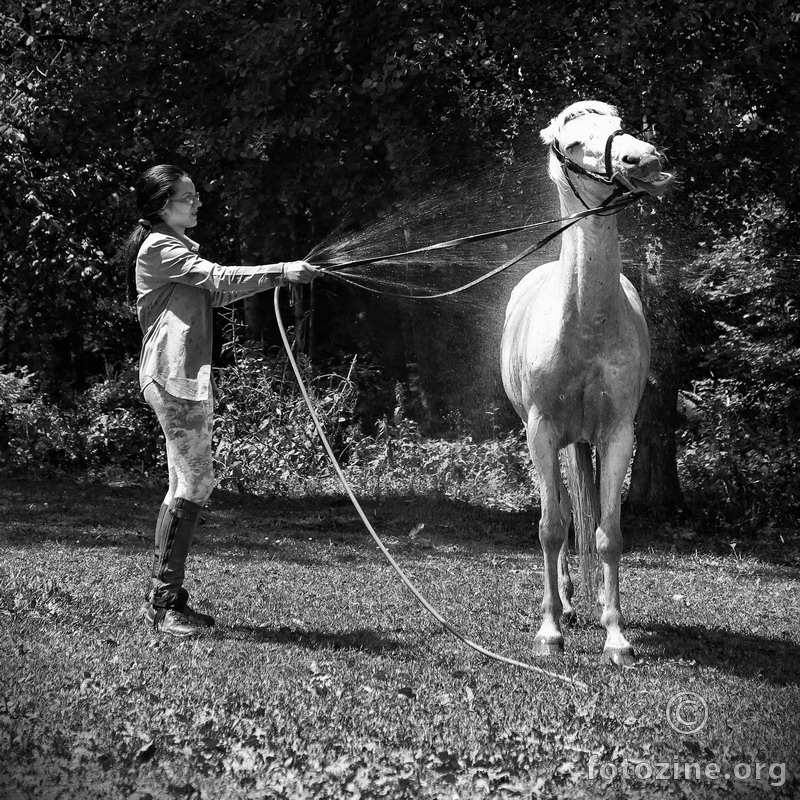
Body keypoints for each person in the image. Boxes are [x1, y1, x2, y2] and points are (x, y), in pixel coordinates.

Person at [120, 164, 316, 638]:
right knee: (195, 483)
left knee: (186, 484)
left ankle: (165, 599)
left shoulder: (175, 249)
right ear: (163, 205)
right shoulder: (160, 246)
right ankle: (164, 603)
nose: (197, 203)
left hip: (181, 377)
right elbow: (221, 277)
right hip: (172, 377)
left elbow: (219, 292)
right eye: (188, 197)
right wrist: (284, 269)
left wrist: (278, 279)